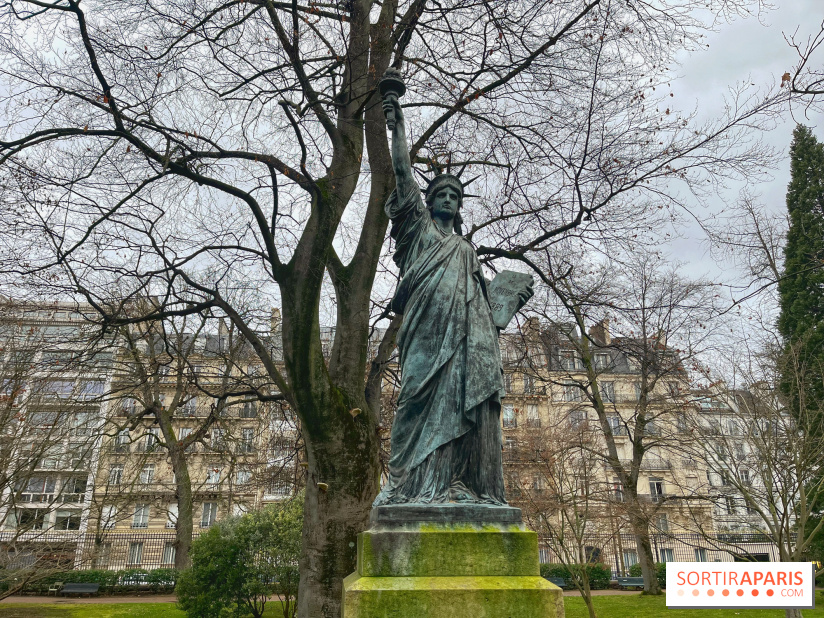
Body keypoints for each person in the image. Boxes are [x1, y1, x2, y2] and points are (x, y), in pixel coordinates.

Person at [374, 91, 532, 507]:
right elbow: (403, 172)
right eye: (441, 194)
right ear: (427, 202)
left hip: (465, 340)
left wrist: (506, 302)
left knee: (460, 405)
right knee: (414, 402)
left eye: (454, 196)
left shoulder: (465, 249)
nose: (448, 199)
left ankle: (454, 483)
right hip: (425, 333)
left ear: (460, 206)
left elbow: (483, 305)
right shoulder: (418, 231)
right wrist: (397, 123)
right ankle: (407, 486)